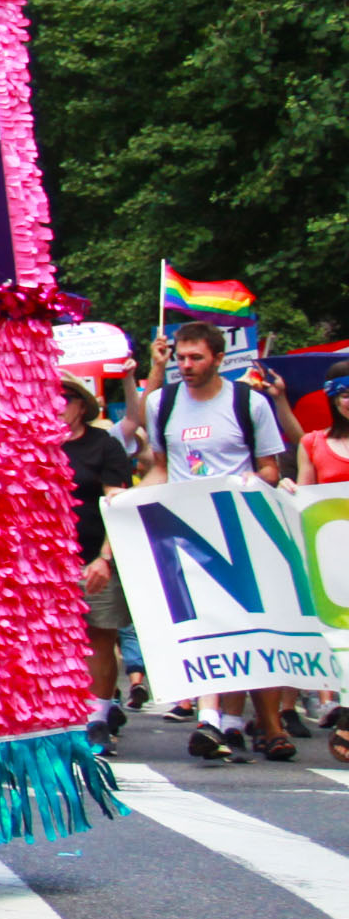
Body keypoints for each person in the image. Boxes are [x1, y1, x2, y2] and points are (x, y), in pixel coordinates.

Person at [136, 321, 295, 761]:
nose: (185, 366)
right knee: (203, 624)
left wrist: (251, 479)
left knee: (249, 624)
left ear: (219, 359)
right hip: (186, 533)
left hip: (240, 527)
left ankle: (260, 721)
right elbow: (162, 468)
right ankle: (211, 721)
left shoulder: (249, 403)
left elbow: (270, 468)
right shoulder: (161, 403)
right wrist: (130, 502)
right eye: (180, 358)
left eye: (195, 358)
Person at [59, 383, 140, 747]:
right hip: (46, 563)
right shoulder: (36, 445)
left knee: (99, 635)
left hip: (92, 554)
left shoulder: (104, 444)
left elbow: (117, 504)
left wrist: (104, 558)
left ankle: (98, 716)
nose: (55, 405)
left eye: (64, 398)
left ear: (81, 406)